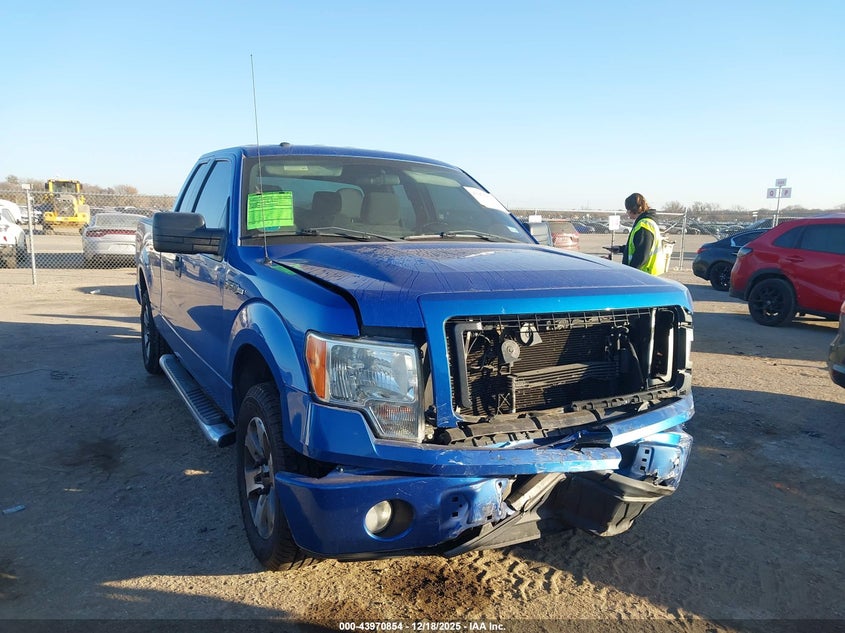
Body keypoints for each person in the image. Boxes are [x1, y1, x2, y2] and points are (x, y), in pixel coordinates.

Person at [622, 192, 664, 275]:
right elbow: (638, 246)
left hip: (643, 274)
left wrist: (629, 273)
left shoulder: (644, 225)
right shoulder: (646, 222)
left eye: (628, 209)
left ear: (632, 209)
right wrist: (621, 249)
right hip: (647, 274)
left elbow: (642, 255)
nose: (627, 212)